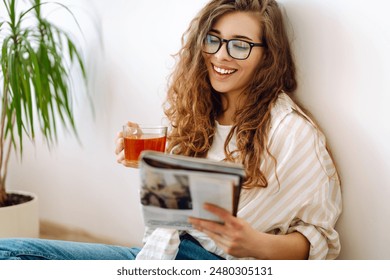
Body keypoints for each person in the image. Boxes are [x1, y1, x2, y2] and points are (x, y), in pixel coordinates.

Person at [0, 0, 341, 260]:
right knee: (8, 252)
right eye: (213, 40)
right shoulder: (199, 112)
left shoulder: (292, 133)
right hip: (162, 253)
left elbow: (319, 240)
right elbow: (174, 213)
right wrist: (154, 164)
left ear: (268, 56)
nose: (221, 55)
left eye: (240, 44)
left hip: (213, 262)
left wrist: (253, 242)